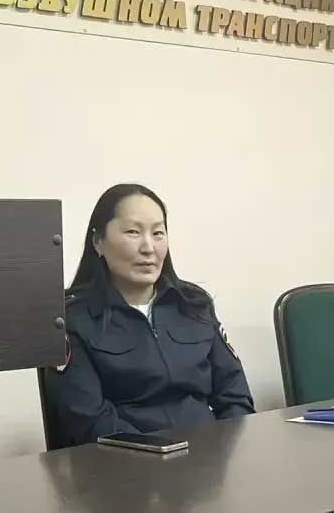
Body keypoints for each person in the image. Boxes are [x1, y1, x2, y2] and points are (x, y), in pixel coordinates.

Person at [43, 183, 254, 448]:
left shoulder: (194, 305)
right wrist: (165, 455)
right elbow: (87, 421)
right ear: (98, 241)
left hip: (207, 459)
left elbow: (235, 397)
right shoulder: (70, 319)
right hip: (124, 464)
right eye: (133, 232)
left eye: (158, 233)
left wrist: (227, 450)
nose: (148, 247)